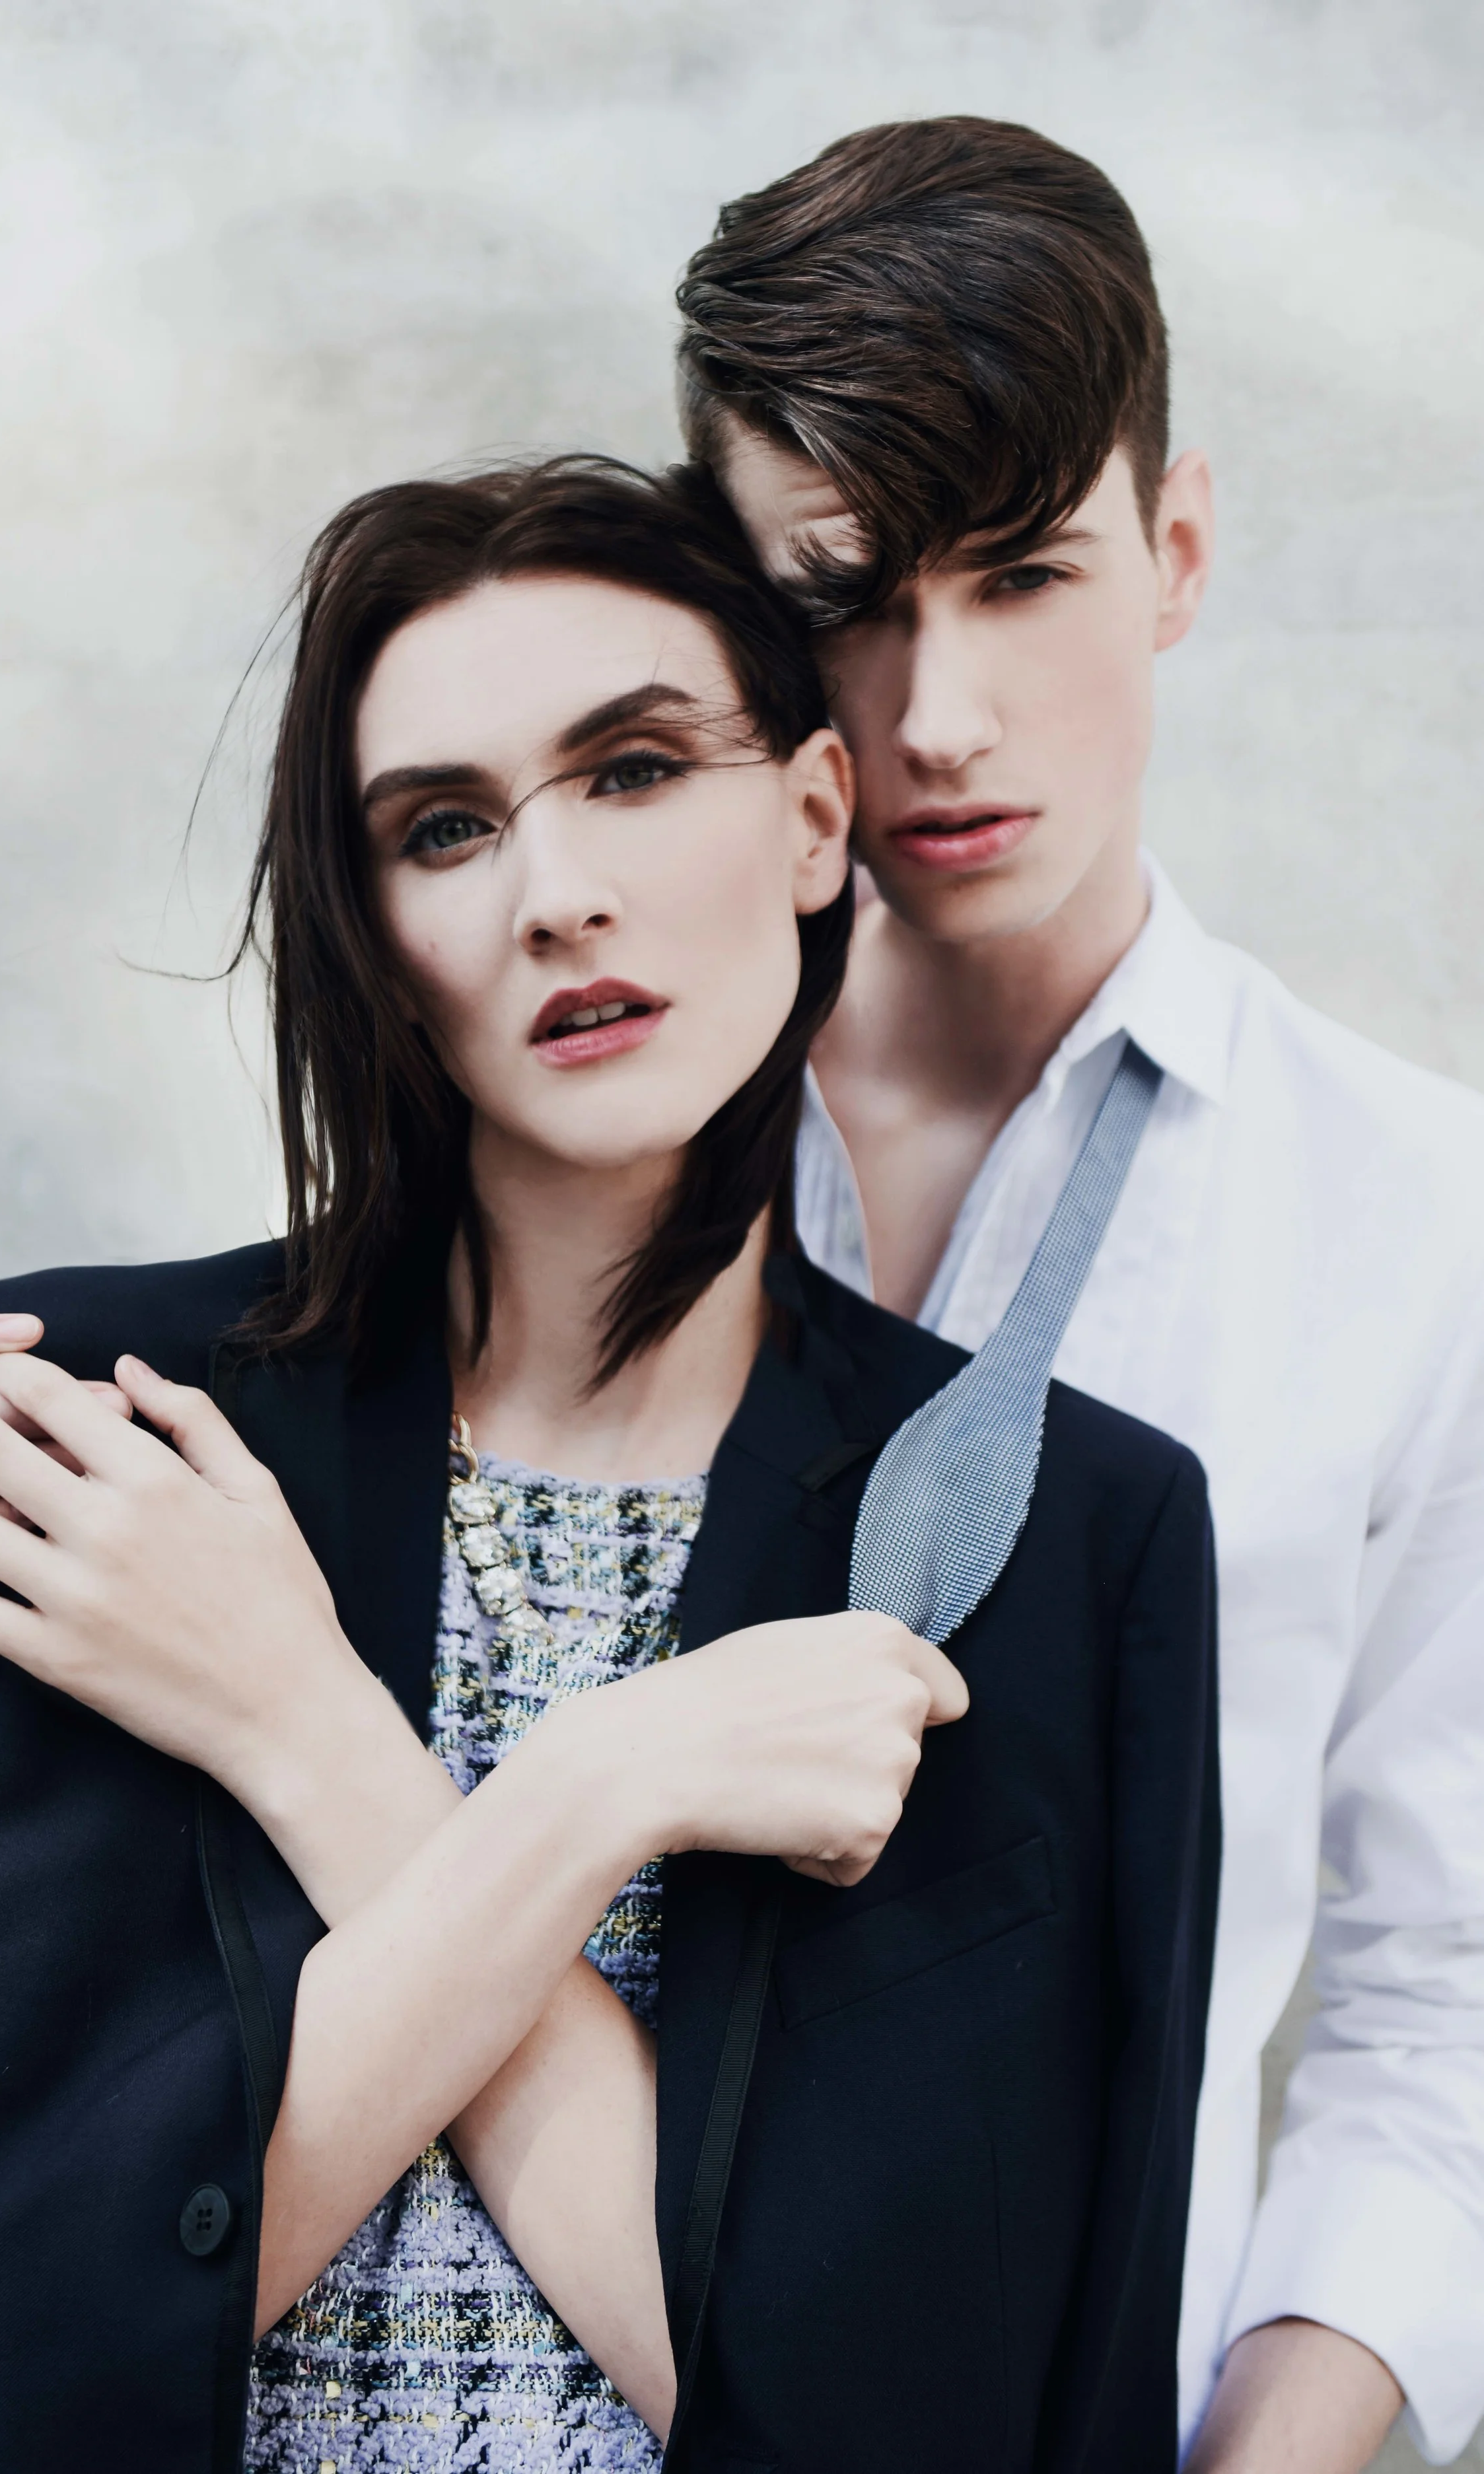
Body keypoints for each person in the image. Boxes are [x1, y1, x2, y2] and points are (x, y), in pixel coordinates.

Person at [0, 458, 1218, 2473]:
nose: (552, 890)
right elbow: (16, 2345)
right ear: (375, 929)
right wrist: (586, 1785)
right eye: (446, 827)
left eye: (634, 771)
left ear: (815, 818)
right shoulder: (119, 1440)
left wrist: (316, 1731)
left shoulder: (1063, 1537)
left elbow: (887, 2421)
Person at [667, 116, 1484, 2473]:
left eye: (1024, 574)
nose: (937, 716)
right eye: (844, 597)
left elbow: (1438, 2010)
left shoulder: (1415, 1215)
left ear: (1176, 552)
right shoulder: (553, 1127)